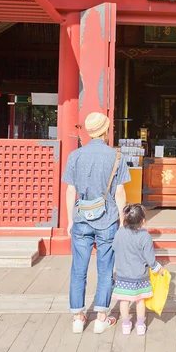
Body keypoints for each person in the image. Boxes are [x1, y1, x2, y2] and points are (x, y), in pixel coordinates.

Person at [62, 112, 130, 334]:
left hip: (82, 217)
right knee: (105, 268)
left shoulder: (75, 156)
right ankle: (101, 317)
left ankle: (77, 318)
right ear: (106, 130)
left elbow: (70, 189)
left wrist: (70, 219)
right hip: (108, 218)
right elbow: (119, 192)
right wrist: (122, 220)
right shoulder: (116, 157)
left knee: (78, 269)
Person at [112, 204, 163, 335]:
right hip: (140, 275)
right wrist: (158, 268)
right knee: (140, 300)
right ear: (143, 220)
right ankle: (140, 325)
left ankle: (125, 324)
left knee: (124, 301)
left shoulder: (119, 232)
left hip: (123, 274)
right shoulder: (144, 236)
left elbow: (114, 247)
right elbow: (150, 258)